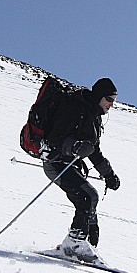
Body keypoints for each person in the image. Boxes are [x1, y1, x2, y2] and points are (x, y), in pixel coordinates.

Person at [41, 78, 120, 263]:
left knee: (90, 201)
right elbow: (55, 138)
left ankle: (88, 247)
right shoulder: (76, 108)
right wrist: (75, 147)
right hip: (56, 162)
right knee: (88, 197)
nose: (111, 104)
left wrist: (109, 175)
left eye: (114, 100)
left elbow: (95, 152)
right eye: (109, 99)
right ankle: (74, 244)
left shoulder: (93, 117)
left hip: (70, 165)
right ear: (99, 96)